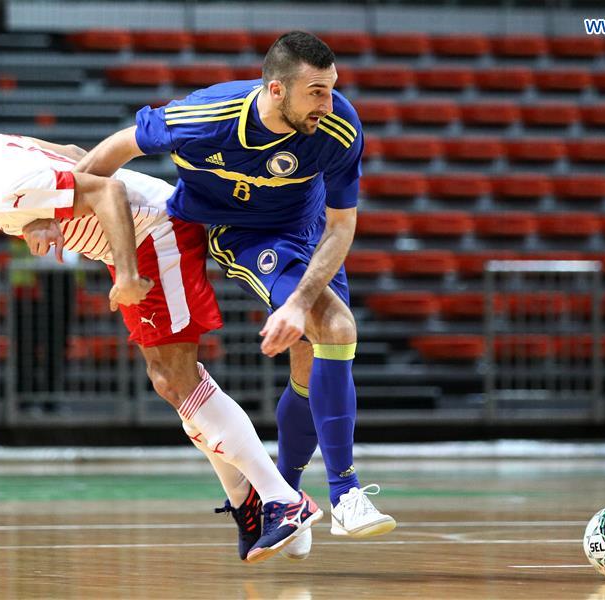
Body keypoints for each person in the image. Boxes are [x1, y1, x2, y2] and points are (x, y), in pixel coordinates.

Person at [0, 109, 322, 564]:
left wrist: (128, 275)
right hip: (137, 239)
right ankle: (249, 502)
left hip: (156, 233)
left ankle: (281, 500)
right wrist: (44, 218)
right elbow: (78, 157)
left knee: (176, 379)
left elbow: (108, 189)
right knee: (169, 381)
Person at [71, 30, 397, 559]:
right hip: (240, 233)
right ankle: (346, 494)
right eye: (316, 91)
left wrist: (296, 304)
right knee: (335, 327)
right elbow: (116, 148)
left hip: (308, 230)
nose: (329, 102)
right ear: (275, 90)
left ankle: (284, 500)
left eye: (332, 88)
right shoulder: (204, 118)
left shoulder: (339, 126)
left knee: (311, 360)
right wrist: (61, 212)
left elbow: (341, 227)